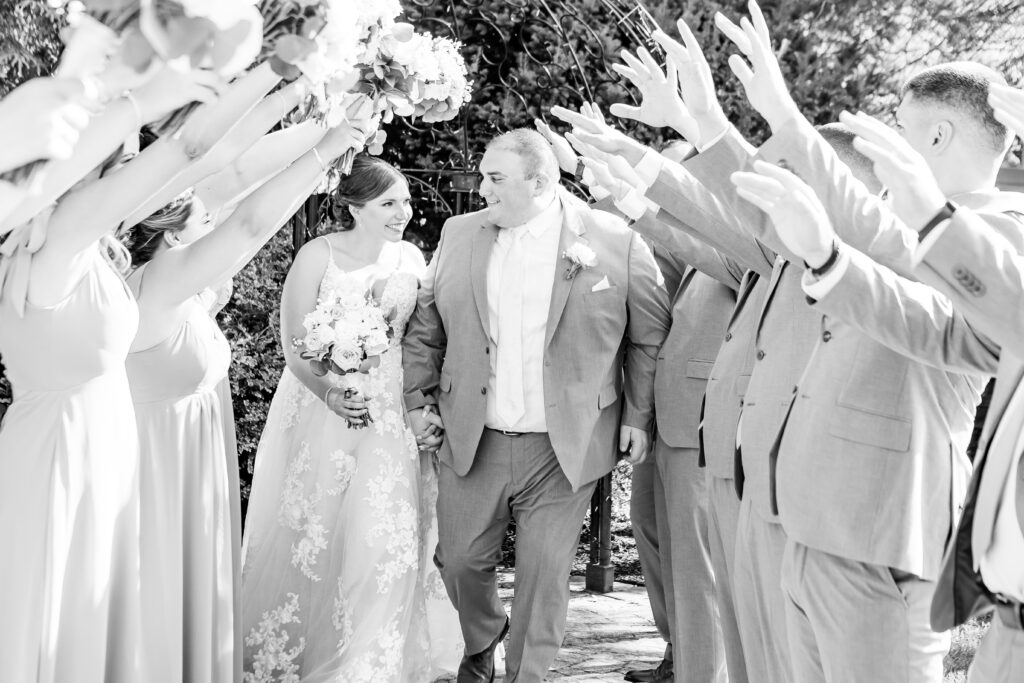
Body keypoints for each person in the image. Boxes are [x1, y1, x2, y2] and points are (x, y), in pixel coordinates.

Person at [402, 128, 670, 682]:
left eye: (495, 178)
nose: (481, 189)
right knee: (459, 562)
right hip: (474, 435)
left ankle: (529, 674)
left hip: (563, 445)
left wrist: (637, 415)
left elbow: (649, 333)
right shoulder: (459, 233)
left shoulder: (612, 240)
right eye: (482, 177)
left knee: (544, 576)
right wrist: (416, 399)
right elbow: (427, 324)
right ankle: (482, 635)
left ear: (540, 181)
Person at [121, 112, 365, 682]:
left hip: (189, 458)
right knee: (158, 588)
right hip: (157, 467)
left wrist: (318, 158)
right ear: (176, 234)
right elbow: (250, 222)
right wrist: (323, 150)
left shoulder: (174, 281)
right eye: (207, 218)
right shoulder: (159, 282)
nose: (218, 221)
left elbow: (255, 218)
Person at [0, 66, 223, 682]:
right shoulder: (63, 237)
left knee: (96, 618)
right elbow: (188, 149)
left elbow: (214, 162)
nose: (133, 169)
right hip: (60, 451)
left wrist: (280, 87)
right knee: (58, 613)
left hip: (100, 444)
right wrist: (186, 80)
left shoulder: (87, 241)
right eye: (121, 158)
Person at [240, 155, 462, 682]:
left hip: (388, 417)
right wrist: (330, 392)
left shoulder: (411, 257)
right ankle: (311, 647)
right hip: (321, 412)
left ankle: (371, 659)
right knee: (316, 533)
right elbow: (295, 348)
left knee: (382, 535)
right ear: (355, 206)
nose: (404, 212)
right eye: (389, 203)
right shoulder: (318, 255)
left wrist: (420, 404)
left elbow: (425, 340)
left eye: (405, 201)